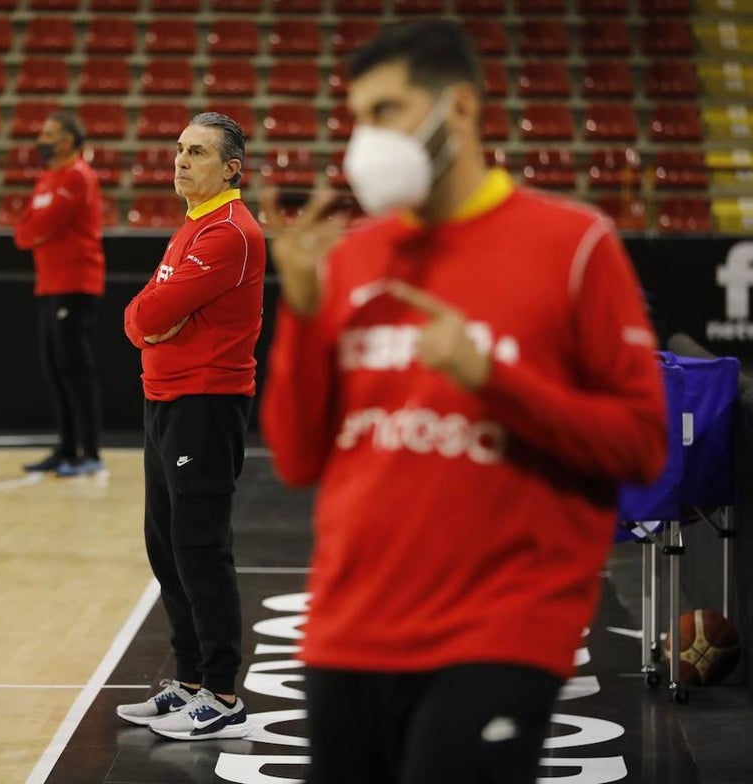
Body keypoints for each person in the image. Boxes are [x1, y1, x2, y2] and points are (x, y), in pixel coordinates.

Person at [259, 20, 669, 784]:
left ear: (460, 109)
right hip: (347, 629)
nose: (363, 139)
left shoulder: (574, 245)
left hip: (499, 629)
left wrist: (492, 380)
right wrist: (303, 315)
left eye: (386, 111)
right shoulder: (351, 255)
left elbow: (643, 444)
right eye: (356, 116)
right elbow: (295, 456)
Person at [116, 112, 266, 741]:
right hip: (166, 399)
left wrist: (154, 320)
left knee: (200, 548)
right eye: (178, 149)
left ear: (231, 168)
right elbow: (141, 320)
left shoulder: (229, 233)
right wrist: (152, 321)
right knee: (165, 544)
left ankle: (224, 694)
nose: (179, 161)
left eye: (196, 152)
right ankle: (190, 677)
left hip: (205, 405)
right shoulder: (196, 225)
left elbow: (152, 310)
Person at [14, 112, 106, 477]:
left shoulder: (77, 176)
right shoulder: (48, 177)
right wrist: (32, 231)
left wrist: (33, 230)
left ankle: (91, 452)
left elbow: (43, 224)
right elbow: (25, 231)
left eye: (49, 134)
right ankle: (67, 448)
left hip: (76, 284)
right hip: (50, 284)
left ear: (69, 140)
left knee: (76, 370)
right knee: (56, 368)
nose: (42, 138)